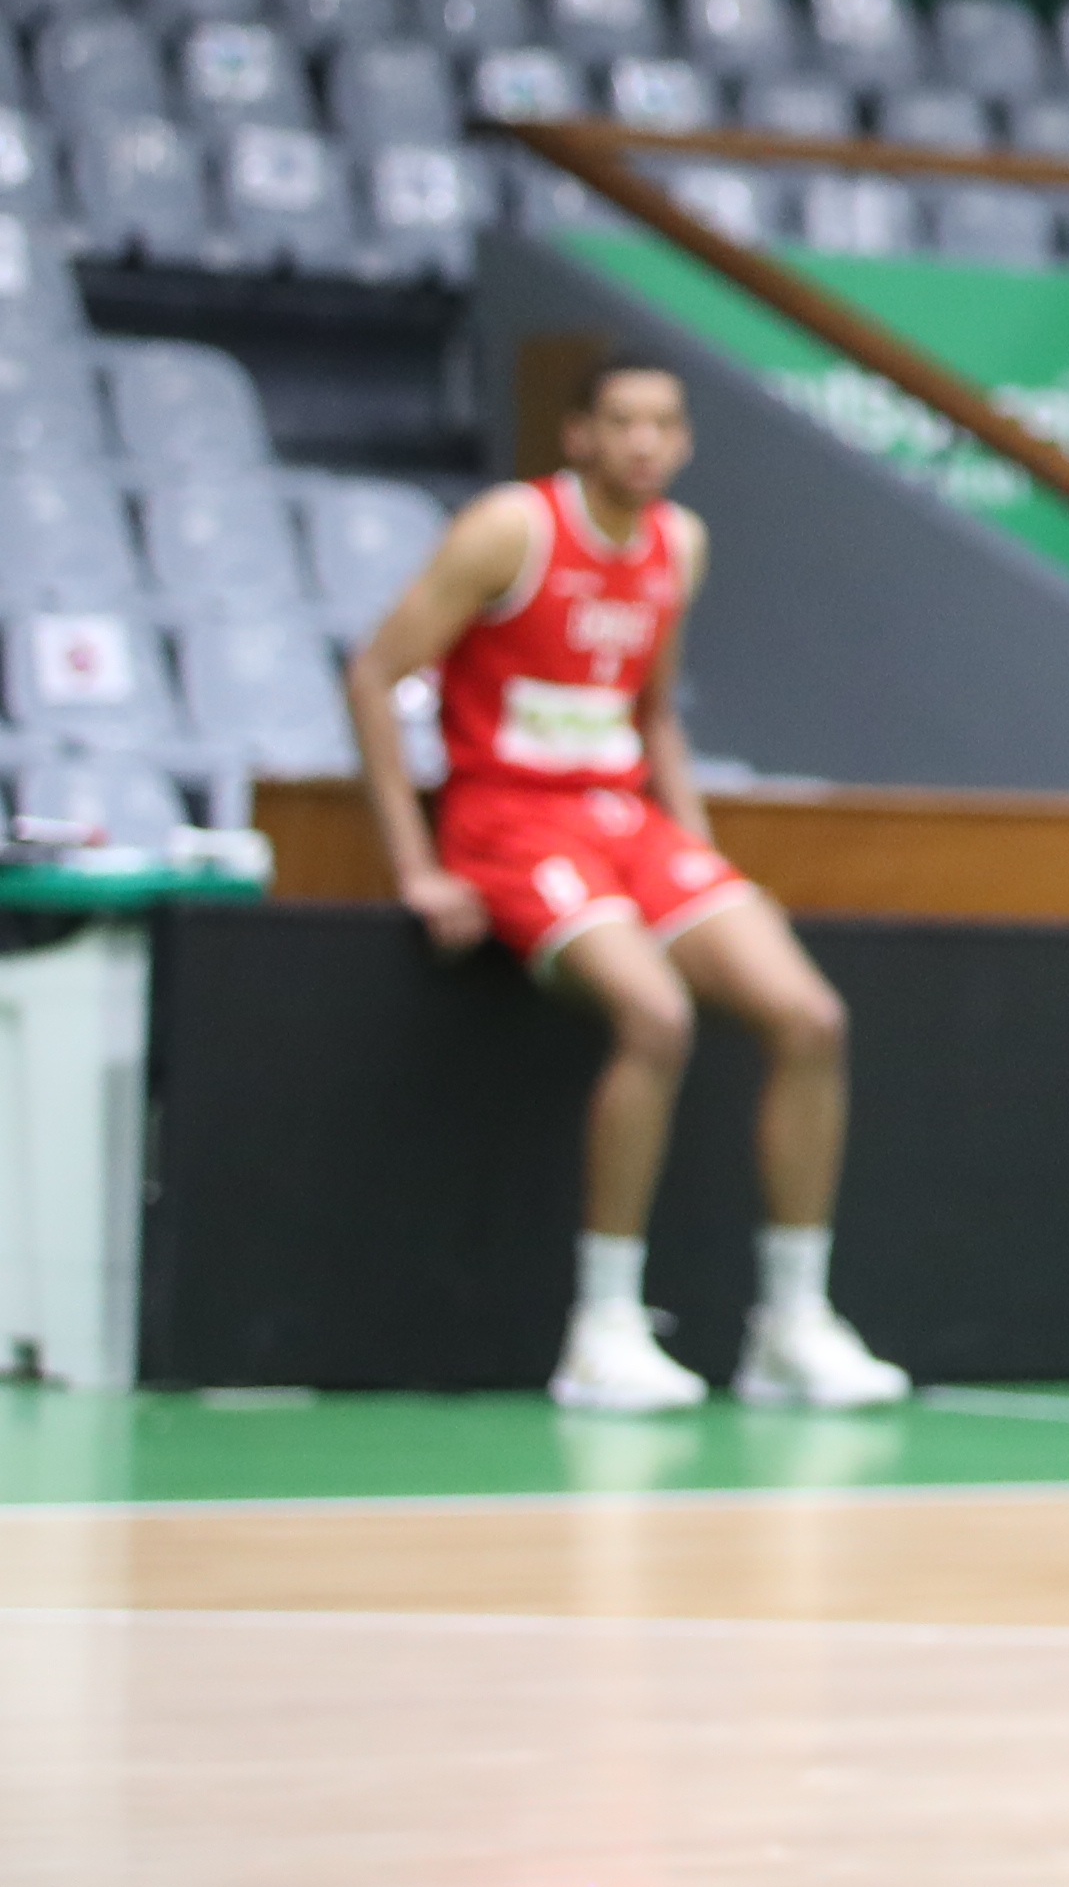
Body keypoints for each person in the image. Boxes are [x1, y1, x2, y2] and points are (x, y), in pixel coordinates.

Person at [338, 354, 908, 1418]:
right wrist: (416, 865)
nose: (644, 441)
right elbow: (376, 674)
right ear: (580, 437)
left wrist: (699, 858)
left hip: (627, 821)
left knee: (811, 1018)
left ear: (683, 443)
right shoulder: (511, 530)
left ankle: (790, 1323)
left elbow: (649, 714)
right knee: (656, 1015)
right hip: (507, 821)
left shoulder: (679, 544)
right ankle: (602, 1328)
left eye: (663, 423)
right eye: (622, 422)